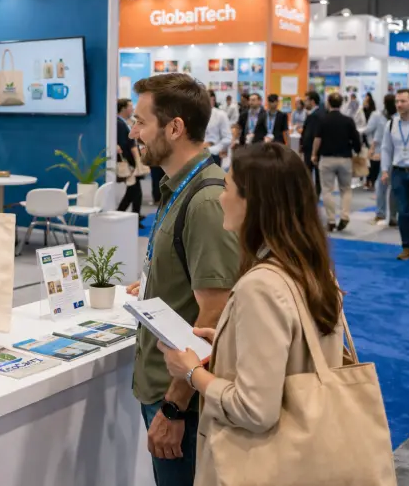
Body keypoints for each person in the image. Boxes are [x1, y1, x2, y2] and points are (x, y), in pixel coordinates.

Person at [158, 142, 343, 486]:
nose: (220, 198)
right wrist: (227, 341)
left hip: (265, 463)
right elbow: (295, 350)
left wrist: (191, 373)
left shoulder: (260, 285)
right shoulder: (312, 270)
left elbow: (255, 410)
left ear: (254, 203)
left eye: (228, 187)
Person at [126, 73, 239, 486]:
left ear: (174, 128)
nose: (133, 133)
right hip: (167, 388)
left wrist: (174, 407)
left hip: (184, 404)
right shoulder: (178, 187)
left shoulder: (206, 200)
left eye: (140, 122)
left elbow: (216, 311)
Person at [312, 92, 362, 232]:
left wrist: (314, 154)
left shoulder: (323, 120)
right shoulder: (348, 120)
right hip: (345, 159)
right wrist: (357, 150)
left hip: (327, 159)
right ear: (341, 104)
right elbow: (356, 139)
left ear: (328, 103)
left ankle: (331, 220)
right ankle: (345, 216)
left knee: (327, 190)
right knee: (346, 189)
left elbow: (317, 139)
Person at [381, 88, 409, 260]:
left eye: (403, 101)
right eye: (397, 101)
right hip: (398, 172)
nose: (399, 104)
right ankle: (407, 247)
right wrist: (384, 170)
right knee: (403, 212)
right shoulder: (391, 124)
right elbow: (386, 149)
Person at [372, 94, 398, 226]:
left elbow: (378, 136)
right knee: (392, 186)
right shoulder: (395, 118)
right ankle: (390, 215)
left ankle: (382, 213)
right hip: (393, 155)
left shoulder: (382, 117)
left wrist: (373, 149)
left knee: (383, 185)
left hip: (388, 155)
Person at [117, 98, 143, 224]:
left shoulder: (124, 123)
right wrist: (137, 162)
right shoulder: (119, 124)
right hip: (127, 163)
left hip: (129, 163)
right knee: (134, 191)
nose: (132, 109)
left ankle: (133, 217)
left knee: (134, 191)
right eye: (130, 106)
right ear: (123, 109)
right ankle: (119, 214)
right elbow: (128, 144)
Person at [301, 91, 324, 196]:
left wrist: (304, 145)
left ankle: (312, 196)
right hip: (312, 148)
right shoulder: (317, 113)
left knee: (311, 173)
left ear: (312, 101)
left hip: (312, 148)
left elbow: (314, 134)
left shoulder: (315, 115)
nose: (304, 102)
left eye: (306, 100)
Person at [204, 90, 232, 167]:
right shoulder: (195, 115)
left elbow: (227, 138)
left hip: (213, 154)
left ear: (213, 100)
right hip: (196, 154)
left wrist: (212, 149)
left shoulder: (221, 115)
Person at [362, 95, 383, 190]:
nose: (364, 102)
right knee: (371, 162)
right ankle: (370, 181)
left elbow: (370, 128)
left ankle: (371, 181)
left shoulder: (375, 114)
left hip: (373, 141)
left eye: (366, 101)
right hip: (370, 140)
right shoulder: (362, 111)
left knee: (373, 163)